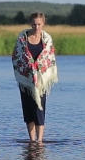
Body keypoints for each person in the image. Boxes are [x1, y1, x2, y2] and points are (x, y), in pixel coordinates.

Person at [12, 12, 58, 143]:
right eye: (34, 24)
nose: (36, 27)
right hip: (25, 79)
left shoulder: (47, 39)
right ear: (30, 23)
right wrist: (28, 68)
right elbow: (16, 57)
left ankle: (40, 140)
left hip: (41, 80)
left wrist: (37, 67)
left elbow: (49, 59)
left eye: (39, 24)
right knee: (28, 109)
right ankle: (32, 140)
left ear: (43, 24)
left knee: (39, 108)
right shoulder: (22, 38)